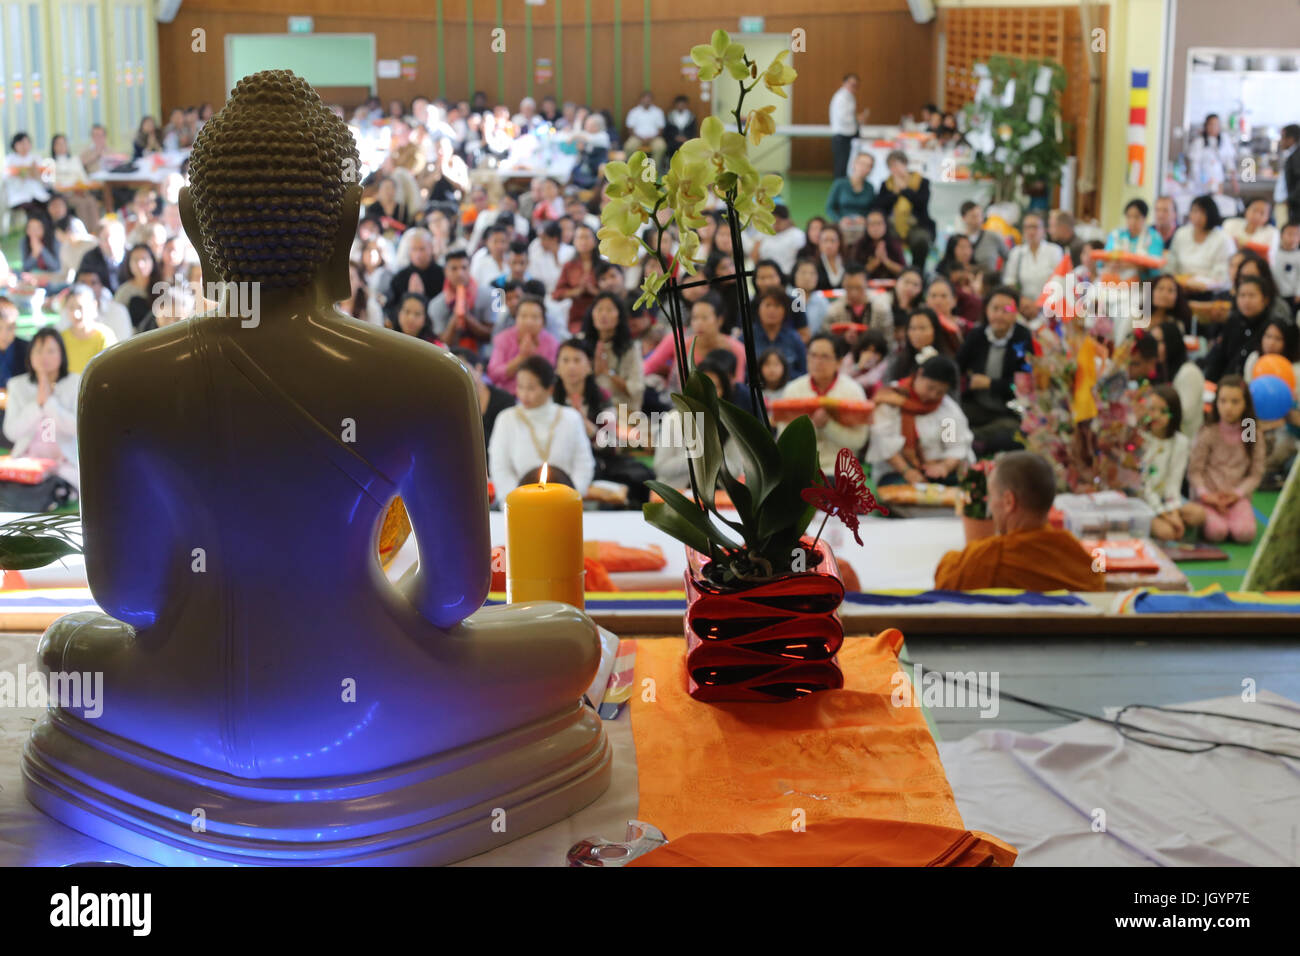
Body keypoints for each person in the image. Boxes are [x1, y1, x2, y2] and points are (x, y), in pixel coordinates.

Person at [934, 451, 1105, 591]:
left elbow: (944, 584)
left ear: (1009, 501)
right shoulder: (1083, 565)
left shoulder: (977, 562)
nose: (991, 506)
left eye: (992, 496)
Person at [488, 354, 595, 497]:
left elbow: (583, 464)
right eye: (520, 387)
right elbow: (500, 467)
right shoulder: (506, 419)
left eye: (531, 388)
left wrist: (571, 496)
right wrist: (517, 499)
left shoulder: (570, 418)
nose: (524, 394)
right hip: (521, 504)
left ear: (549, 389)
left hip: (564, 502)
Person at [0, 327, 79, 510]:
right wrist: (37, 405)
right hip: (28, 460)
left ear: (62, 354)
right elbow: (11, 432)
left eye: (51, 351)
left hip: (63, 463)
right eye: (38, 351)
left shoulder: (75, 382)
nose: (44, 357)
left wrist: (49, 403)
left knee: (61, 483)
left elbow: (76, 427)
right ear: (30, 355)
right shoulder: (18, 385)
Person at [868, 355, 972, 485]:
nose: (933, 395)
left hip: (934, 470)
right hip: (895, 471)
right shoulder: (892, 397)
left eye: (940, 392)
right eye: (930, 388)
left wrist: (944, 466)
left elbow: (953, 445)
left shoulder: (946, 411)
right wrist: (907, 471)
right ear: (919, 374)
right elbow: (882, 440)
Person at [1188, 375, 1266, 543]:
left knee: (1245, 534)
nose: (1228, 407)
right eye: (1223, 401)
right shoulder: (1209, 431)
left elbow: (1255, 473)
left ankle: (1233, 519)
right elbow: (1195, 471)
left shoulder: (1249, 430)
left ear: (1245, 404)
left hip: (1236, 497)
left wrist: (1237, 494)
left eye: (1235, 401)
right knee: (1217, 532)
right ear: (1216, 403)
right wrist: (1206, 495)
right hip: (1208, 498)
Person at [653, 350, 746, 490]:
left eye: (717, 387)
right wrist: (697, 456)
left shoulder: (731, 422)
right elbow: (661, 467)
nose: (709, 393)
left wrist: (716, 458)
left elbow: (735, 470)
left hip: (719, 496)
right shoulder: (673, 420)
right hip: (678, 495)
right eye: (703, 387)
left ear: (724, 392)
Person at [955, 286, 1033, 450]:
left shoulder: (1024, 338)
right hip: (977, 404)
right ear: (986, 310)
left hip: (1008, 410)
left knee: (1014, 432)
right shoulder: (977, 335)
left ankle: (972, 440)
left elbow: (1025, 387)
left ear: (1015, 312)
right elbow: (957, 367)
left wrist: (991, 384)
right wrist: (967, 381)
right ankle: (968, 440)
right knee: (949, 416)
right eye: (995, 309)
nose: (999, 315)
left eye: (1006, 310)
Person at [779, 332, 869, 470]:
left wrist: (828, 426)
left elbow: (859, 441)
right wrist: (813, 426)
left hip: (841, 470)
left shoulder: (853, 391)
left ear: (839, 362)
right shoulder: (793, 390)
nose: (817, 362)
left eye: (825, 357)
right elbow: (785, 442)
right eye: (813, 355)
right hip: (802, 469)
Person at [642, 293, 746, 392]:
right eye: (695, 318)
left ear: (720, 320)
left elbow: (737, 386)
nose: (699, 324)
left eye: (705, 318)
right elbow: (683, 386)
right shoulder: (683, 345)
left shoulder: (736, 349)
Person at [1140, 386, 1199, 541]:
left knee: (1198, 515)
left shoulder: (1181, 442)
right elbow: (1143, 486)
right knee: (1166, 533)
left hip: (1165, 499)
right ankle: (1160, 524)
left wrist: (1172, 512)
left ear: (1174, 413)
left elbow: (1174, 483)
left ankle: (1172, 523)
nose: (1156, 415)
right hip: (1144, 500)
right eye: (1152, 409)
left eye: (1163, 411)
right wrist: (1164, 514)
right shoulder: (1140, 439)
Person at [1203, 276, 1276, 382]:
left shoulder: (1271, 327)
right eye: (1242, 295)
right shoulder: (1233, 322)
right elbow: (1220, 356)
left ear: (1265, 299)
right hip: (1227, 382)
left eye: (1251, 295)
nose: (1246, 301)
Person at [583, 291, 644, 413]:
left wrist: (607, 372)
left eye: (609, 310)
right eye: (599, 309)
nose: (603, 315)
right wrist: (593, 371)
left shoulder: (631, 348)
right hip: (588, 408)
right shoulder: (581, 343)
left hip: (621, 410)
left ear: (619, 316)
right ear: (592, 314)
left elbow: (636, 390)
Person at [871, 150, 934, 268]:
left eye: (896, 165)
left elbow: (921, 203)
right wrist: (895, 193)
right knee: (885, 240)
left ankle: (918, 270)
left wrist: (905, 190)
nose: (894, 169)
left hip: (916, 225)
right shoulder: (886, 184)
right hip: (892, 225)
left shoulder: (922, 182)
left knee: (921, 240)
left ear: (905, 164)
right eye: (891, 166)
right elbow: (879, 206)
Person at [451, 346, 515, 452]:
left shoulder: (504, 400)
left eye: (461, 370)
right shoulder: (448, 403)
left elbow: (508, 443)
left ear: (479, 368)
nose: (457, 377)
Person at [429, 249, 495, 351]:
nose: (460, 273)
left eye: (464, 268)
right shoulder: (436, 304)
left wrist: (467, 317)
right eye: (454, 269)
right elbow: (441, 343)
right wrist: (456, 317)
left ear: (470, 269)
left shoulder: (489, 294)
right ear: (446, 272)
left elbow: (492, 335)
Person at [1150, 319, 1205, 438]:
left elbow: (1184, 414)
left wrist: (1151, 410)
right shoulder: (1160, 370)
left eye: (1158, 342)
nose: (1153, 347)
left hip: (1186, 443)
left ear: (1171, 342)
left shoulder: (1189, 373)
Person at [1168, 195, 1232, 292]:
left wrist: (1198, 284)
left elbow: (1222, 276)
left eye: (1202, 212)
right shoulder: (1182, 233)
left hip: (1211, 292)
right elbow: (1172, 262)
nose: (1197, 217)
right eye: (1194, 211)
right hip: (1180, 288)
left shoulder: (1222, 239)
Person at [385, 228, 446, 324]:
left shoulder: (443, 274)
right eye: (414, 249)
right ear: (409, 251)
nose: (418, 254)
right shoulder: (400, 277)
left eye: (422, 249)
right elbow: (390, 307)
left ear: (431, 248)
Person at [1003, 211, 1065, 302]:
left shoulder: (1055, 251)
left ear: (1044, 229)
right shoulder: (1016, 252)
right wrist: (1022, 301)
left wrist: (1041, 304)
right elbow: (1009, 281)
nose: (1031, 231)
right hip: (1023, 305)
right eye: (1027, 227)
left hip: (1050, 304)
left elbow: (1060, 281)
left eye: (1035, 227)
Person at [747, 288, 807, 379]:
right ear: (758, 309)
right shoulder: (747, 337)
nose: (772, 310)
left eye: (777, 306)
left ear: (785, 311)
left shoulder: (794, 338)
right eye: (768, 305)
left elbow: (804, 372)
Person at [554, 223, 602, 335]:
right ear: (574, 242)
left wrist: (593, 291)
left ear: (594, 241)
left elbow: (614, 294)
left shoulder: (603, 265)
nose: (583, 241)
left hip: (601, 313)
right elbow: (557, 294)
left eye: (587, 237)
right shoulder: (569, 266)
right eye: (579, 237)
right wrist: (577, 291)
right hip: (577, 317)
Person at [60, 282, 118, 373]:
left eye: (80, 307)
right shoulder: (61, 338)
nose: (76, 314)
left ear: (93, 306)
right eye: (71, 308)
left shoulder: (104, 336)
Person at [1104, 199, 1165, 281]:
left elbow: (1154, 264)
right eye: (1129, 217)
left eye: (1136, 217)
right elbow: (1105, 258)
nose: (1132, 221)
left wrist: (1127, 264)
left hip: (1143, 284)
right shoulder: (1116, 234)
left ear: (1144, 218)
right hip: (1114, 282)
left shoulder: (1154, 237)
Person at [887, 306, 945, 381]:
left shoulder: (944, 361)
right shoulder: (899, 361)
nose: (917, 333)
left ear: (935, 330)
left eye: (922, 328)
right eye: (913, 328)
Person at [829, 74, 869, 180]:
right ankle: (839, 189)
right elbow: (843, 118)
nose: (853, 87)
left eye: (856, 85)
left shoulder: (849, 96)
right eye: (851, 84)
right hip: (842, 136)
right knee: (841, 166)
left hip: (849, 135)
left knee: (847, 165)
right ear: (844, 83)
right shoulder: (841, 97)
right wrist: (857, 118)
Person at [750, 204, 805, 279]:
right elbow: (754, 255)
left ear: (787, 220)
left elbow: (801, 259)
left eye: (778, 221)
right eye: (773, 221)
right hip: (766, 275)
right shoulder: (764, 233)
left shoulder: (797, 234)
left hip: (787, 275)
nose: (775, 225)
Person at [1186, 113, 1237, 193]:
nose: (1213, 127)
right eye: (1211, 124)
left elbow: (1229, 162)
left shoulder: (1224, 140)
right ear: (1206, 126)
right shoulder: (1199, 142)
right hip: (1202, 182)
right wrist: (1199, 181)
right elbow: (1194, 165)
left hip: (1218, 180)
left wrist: (1233, 180)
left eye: (1216, 125)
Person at [5, 133, 51, 217]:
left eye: (27, 143)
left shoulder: (36, 158)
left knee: (50, 206)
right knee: (34, 211)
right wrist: (21, 173)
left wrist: (36, 174)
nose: (24, 146)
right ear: (15, 145)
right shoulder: (9, 160)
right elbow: (5, 177)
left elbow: (46, 178)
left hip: (37, 194)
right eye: (21, 143)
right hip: (19, 196)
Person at [853, 209, 907, 280]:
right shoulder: (860, 244)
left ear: (886, 225)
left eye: (879, 223)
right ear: (866, 226)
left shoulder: (894, 243)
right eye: (872, 224)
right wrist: (875, 262)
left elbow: (905, 272)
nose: (876, 228)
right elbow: (854, 274)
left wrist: (886, 261)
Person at [826, 152, 876, 226]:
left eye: (868, 166)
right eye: (861, 163)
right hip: (841, 225)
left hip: (862, 226)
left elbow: (872, 210)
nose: (864, 168)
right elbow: (829, 208)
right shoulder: (839, 184)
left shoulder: (870, 187)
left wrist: (865, 219)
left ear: (870, 169)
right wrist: (840, 220)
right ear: (854, 164)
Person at [958, 201, 1005, 274]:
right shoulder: (959, 240)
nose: (979, 219)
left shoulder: (992, 236)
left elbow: (1009, 257)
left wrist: (1002, 275)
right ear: (964, 218)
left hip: (989, 281)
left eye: (980, 215)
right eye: (974, 216)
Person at [624, 91, 667, 169]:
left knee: (660, 146)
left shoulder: (658, 112)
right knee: (629, 147)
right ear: (641, 99)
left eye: (649, 99)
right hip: (637, 137)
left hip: (654, 138)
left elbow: (661, 129)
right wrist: (641, 138)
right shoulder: (634, 112)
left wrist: (651, 138)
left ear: (652, 100)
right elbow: (630, 129)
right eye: (645, 99)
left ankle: (652, 170)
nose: (647, 101)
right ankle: (633, 169)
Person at [788, 258, 830, 335]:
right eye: (803, 273)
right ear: (794, 275)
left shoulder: (822, 302)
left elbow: (826, 329)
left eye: (812, 273)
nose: (807, 277)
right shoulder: (786, 298)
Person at [813, 223, 847, 290]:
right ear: (819, 242)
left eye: (832, 240)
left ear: (839, 242)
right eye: (825, 240)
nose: (829, 245)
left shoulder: (847, 261)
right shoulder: (814, 264)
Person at [1279, 123, 1300, 228]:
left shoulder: (1297, 155)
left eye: (1282, 137)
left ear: (1291, 139)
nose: (1281, 141)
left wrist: (1291, 198)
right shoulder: (1294, 153)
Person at [664, 95, 697, 161]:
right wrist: (676, 137)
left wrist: (686, 138)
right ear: (676, 105)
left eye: (683, 104)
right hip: (673, 140)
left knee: (689, 147)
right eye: (679, 104)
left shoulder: (691, 116)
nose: (681, 106)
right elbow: (667, 131)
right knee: (671, 147)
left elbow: (693, 130)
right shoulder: (670, 116)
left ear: (686, 105)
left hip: (687, 140)